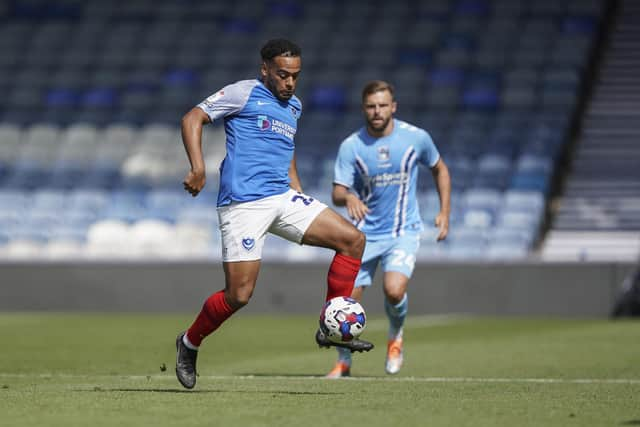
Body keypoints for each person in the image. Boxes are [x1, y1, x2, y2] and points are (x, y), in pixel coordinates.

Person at [175, 39, 373, 389]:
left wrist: (295, 187)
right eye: (283, 75)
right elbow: (193, 117)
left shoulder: (293, 106)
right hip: (243, 204)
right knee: (238, 296)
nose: (290, 83)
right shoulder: (243, 93)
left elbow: (286, 148)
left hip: (281, 196)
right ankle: (189, 342)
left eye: (295, 76)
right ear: (265, 69)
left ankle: (331, 326)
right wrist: (198, 168)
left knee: (353, 240)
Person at [326, 80, 451, 378]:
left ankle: (395, 337)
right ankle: (344, 362)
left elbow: (440, 169)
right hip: (362, 236)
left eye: (383, 105)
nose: (377, 111)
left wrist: (445, 211)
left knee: (394, 291)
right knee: (345, 302)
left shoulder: (416, 138)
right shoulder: (351, 146)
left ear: (393, 106)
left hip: (402, 232)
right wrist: (350, 196)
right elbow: (336, 193)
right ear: (363, 109)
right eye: (371, 106)